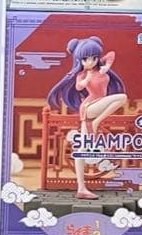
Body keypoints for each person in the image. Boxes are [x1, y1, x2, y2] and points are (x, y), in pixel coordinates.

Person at [46, 36, 127, 200]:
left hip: (97, 106)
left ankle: (81, 188)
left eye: (94, 57)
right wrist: (87, 79)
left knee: (82, 150)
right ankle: (96, 121)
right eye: (85, 59)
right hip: (89, 107)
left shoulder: (101, 67)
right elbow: (78, 87)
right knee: (122, 97)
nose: (90, 61)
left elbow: (111, 54)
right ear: (79, 60)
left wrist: (106, 67)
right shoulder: (82, 74)